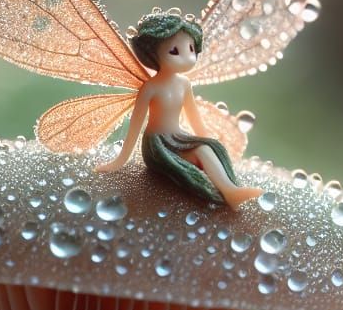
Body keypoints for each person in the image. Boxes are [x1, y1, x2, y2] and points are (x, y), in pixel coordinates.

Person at [95, 13, 263, 209]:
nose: (188, 57)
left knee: (207, 148)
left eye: (191, 49)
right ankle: (225, 192)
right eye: (174, 51)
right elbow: (136, 124)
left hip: (179, 137)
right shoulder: (150, 88)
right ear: (153, 55)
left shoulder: (184, 84)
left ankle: (230, 190)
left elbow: (194, 118)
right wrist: (120, 160)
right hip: (158, 145)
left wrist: (207, 140)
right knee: (197, 157)